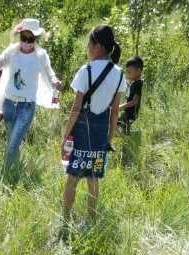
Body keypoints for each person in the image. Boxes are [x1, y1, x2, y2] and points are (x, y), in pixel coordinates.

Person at [61, 25, 125, 221]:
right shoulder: (120, 74)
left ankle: (65, 218)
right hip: (100, 134)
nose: (88, 47)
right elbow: (115, 111)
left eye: (89, 43)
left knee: (73, 176)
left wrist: (65, 136)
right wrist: (109, 139)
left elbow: (76, 108)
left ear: (97, 46)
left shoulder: (85, 71)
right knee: (94, 178)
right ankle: (91, 219)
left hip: (81, 131)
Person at [0, 18, 62, 176]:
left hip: (26, 106)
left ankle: (4, 175)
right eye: (23, 38)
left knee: (13, 142)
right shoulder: (12, 50)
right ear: (20, 36)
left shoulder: (41, 56)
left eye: (30, 39)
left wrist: (55, 82)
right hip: (8, 103)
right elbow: (0, 60)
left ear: (36, 39)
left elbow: (50, 73)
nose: (26, 42)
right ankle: (16, 168)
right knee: (13, 140)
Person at [118, 56, 143, 132]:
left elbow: (134, 101)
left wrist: (120, 107)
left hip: (130, 114)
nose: (127, 74)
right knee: (119, 124)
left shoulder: (138, 84)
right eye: (127, 72)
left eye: (129, 72)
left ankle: (125, 139)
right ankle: (125, 137)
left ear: (138, 71)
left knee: (114, 124)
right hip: (128, 113)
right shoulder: (135, 83)